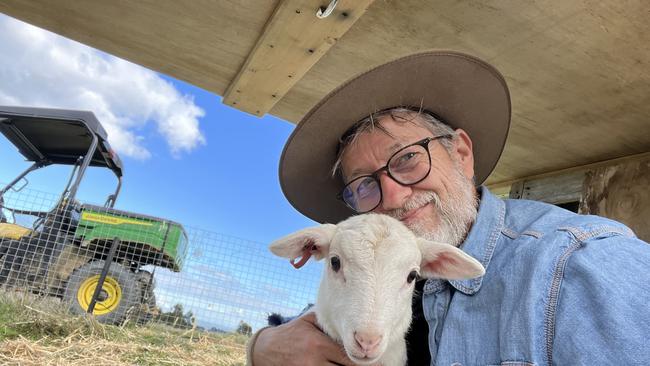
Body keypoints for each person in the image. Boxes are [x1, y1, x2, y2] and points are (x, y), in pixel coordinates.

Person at [248, 51, 650, 365]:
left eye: (406, 158)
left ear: (460, 153)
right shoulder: (379, 259)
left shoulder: (584, 264)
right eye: (365, 184)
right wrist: (263, 347)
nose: (393, 196)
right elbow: (322, 317)